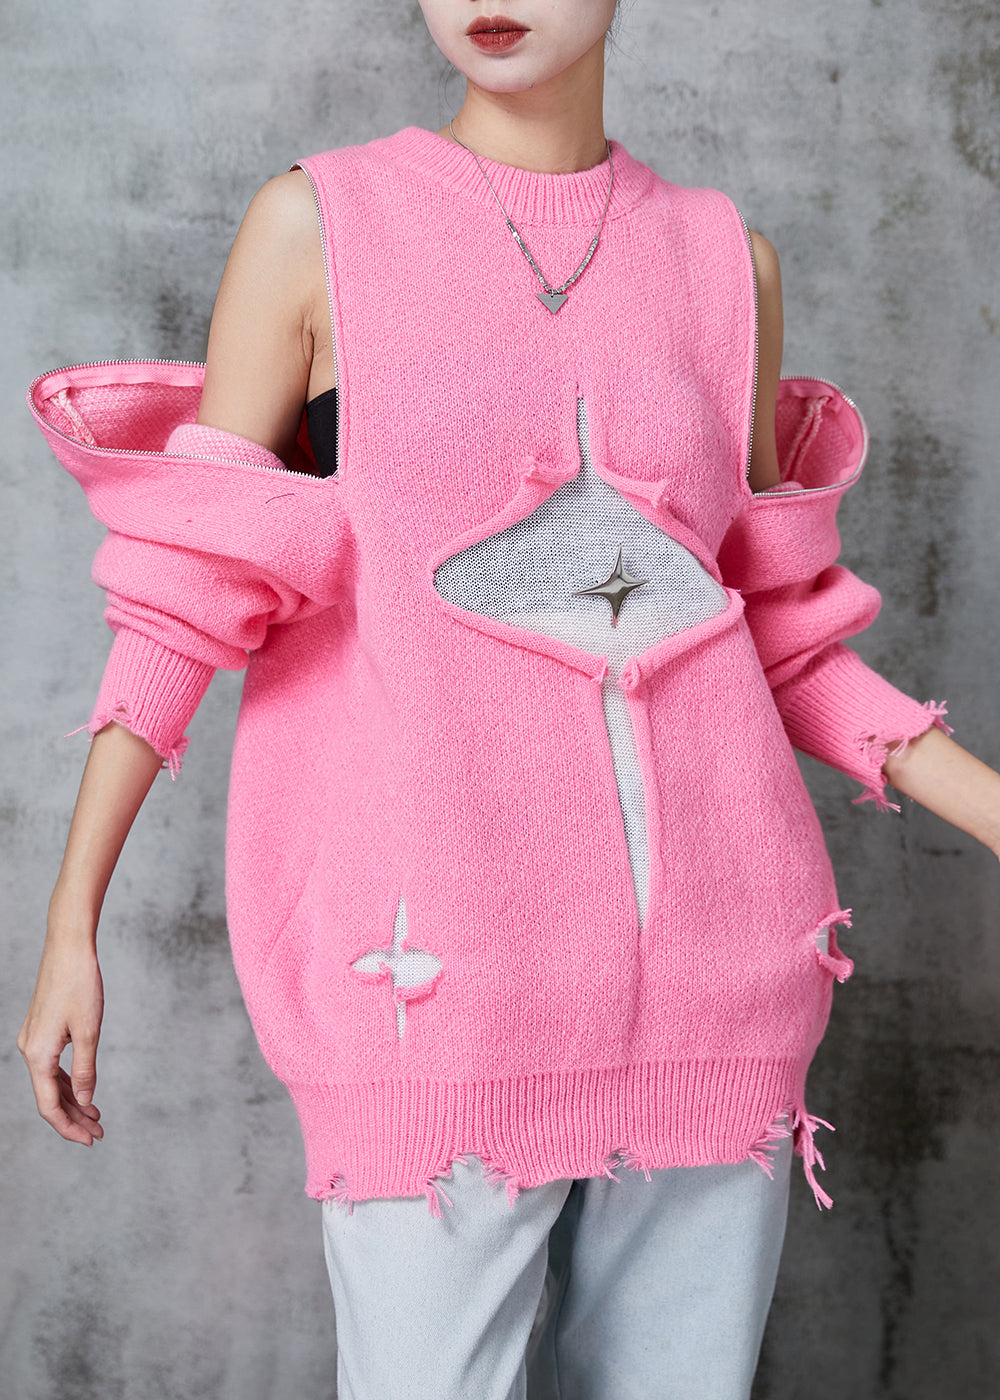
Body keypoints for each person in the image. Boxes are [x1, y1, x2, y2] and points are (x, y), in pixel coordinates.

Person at [17, 3, 1000, 1397]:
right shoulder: (319, 226)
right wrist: (73, 921)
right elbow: (189, 592)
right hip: (430, 990)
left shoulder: (725, 260)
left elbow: (773, 634)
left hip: (716, 992)